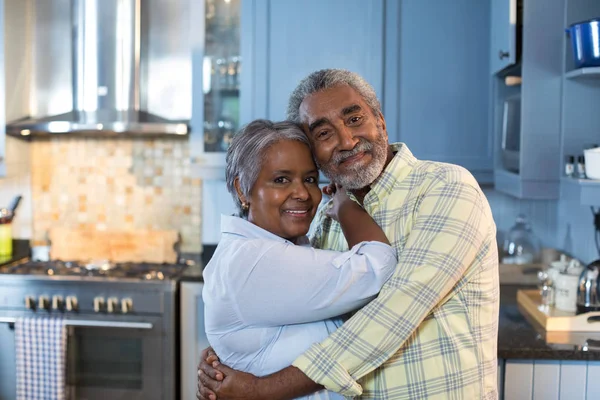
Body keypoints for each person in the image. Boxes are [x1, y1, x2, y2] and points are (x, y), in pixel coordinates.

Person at [198, 69, 500, 400]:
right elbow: (300, 314)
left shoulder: (444, 188)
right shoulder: (330, 217)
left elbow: (393, 314)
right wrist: (233, 352)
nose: (346, 140)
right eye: (324, 133)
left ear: (380, 122)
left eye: (354, 118)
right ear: (314, 151)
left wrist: (262, 387)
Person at [201, 119, 400, 400]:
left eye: (309, 179)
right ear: (243, 190)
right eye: (281, 180)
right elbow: (378, 266)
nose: (303, 194)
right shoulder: (254, 262)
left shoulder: (268, 251)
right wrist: (345, 204)